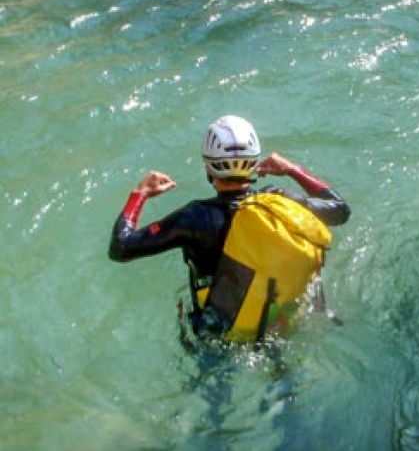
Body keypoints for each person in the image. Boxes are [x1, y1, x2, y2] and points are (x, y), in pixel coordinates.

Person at [108, 114, 350, 344]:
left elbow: (121, 247)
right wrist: (291, 169)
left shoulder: (195, 218)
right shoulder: (278, 202)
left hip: (218, 331)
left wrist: (139, 194)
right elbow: (339, 209)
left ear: (208, 166)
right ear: (254, 161)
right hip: (275, 320)